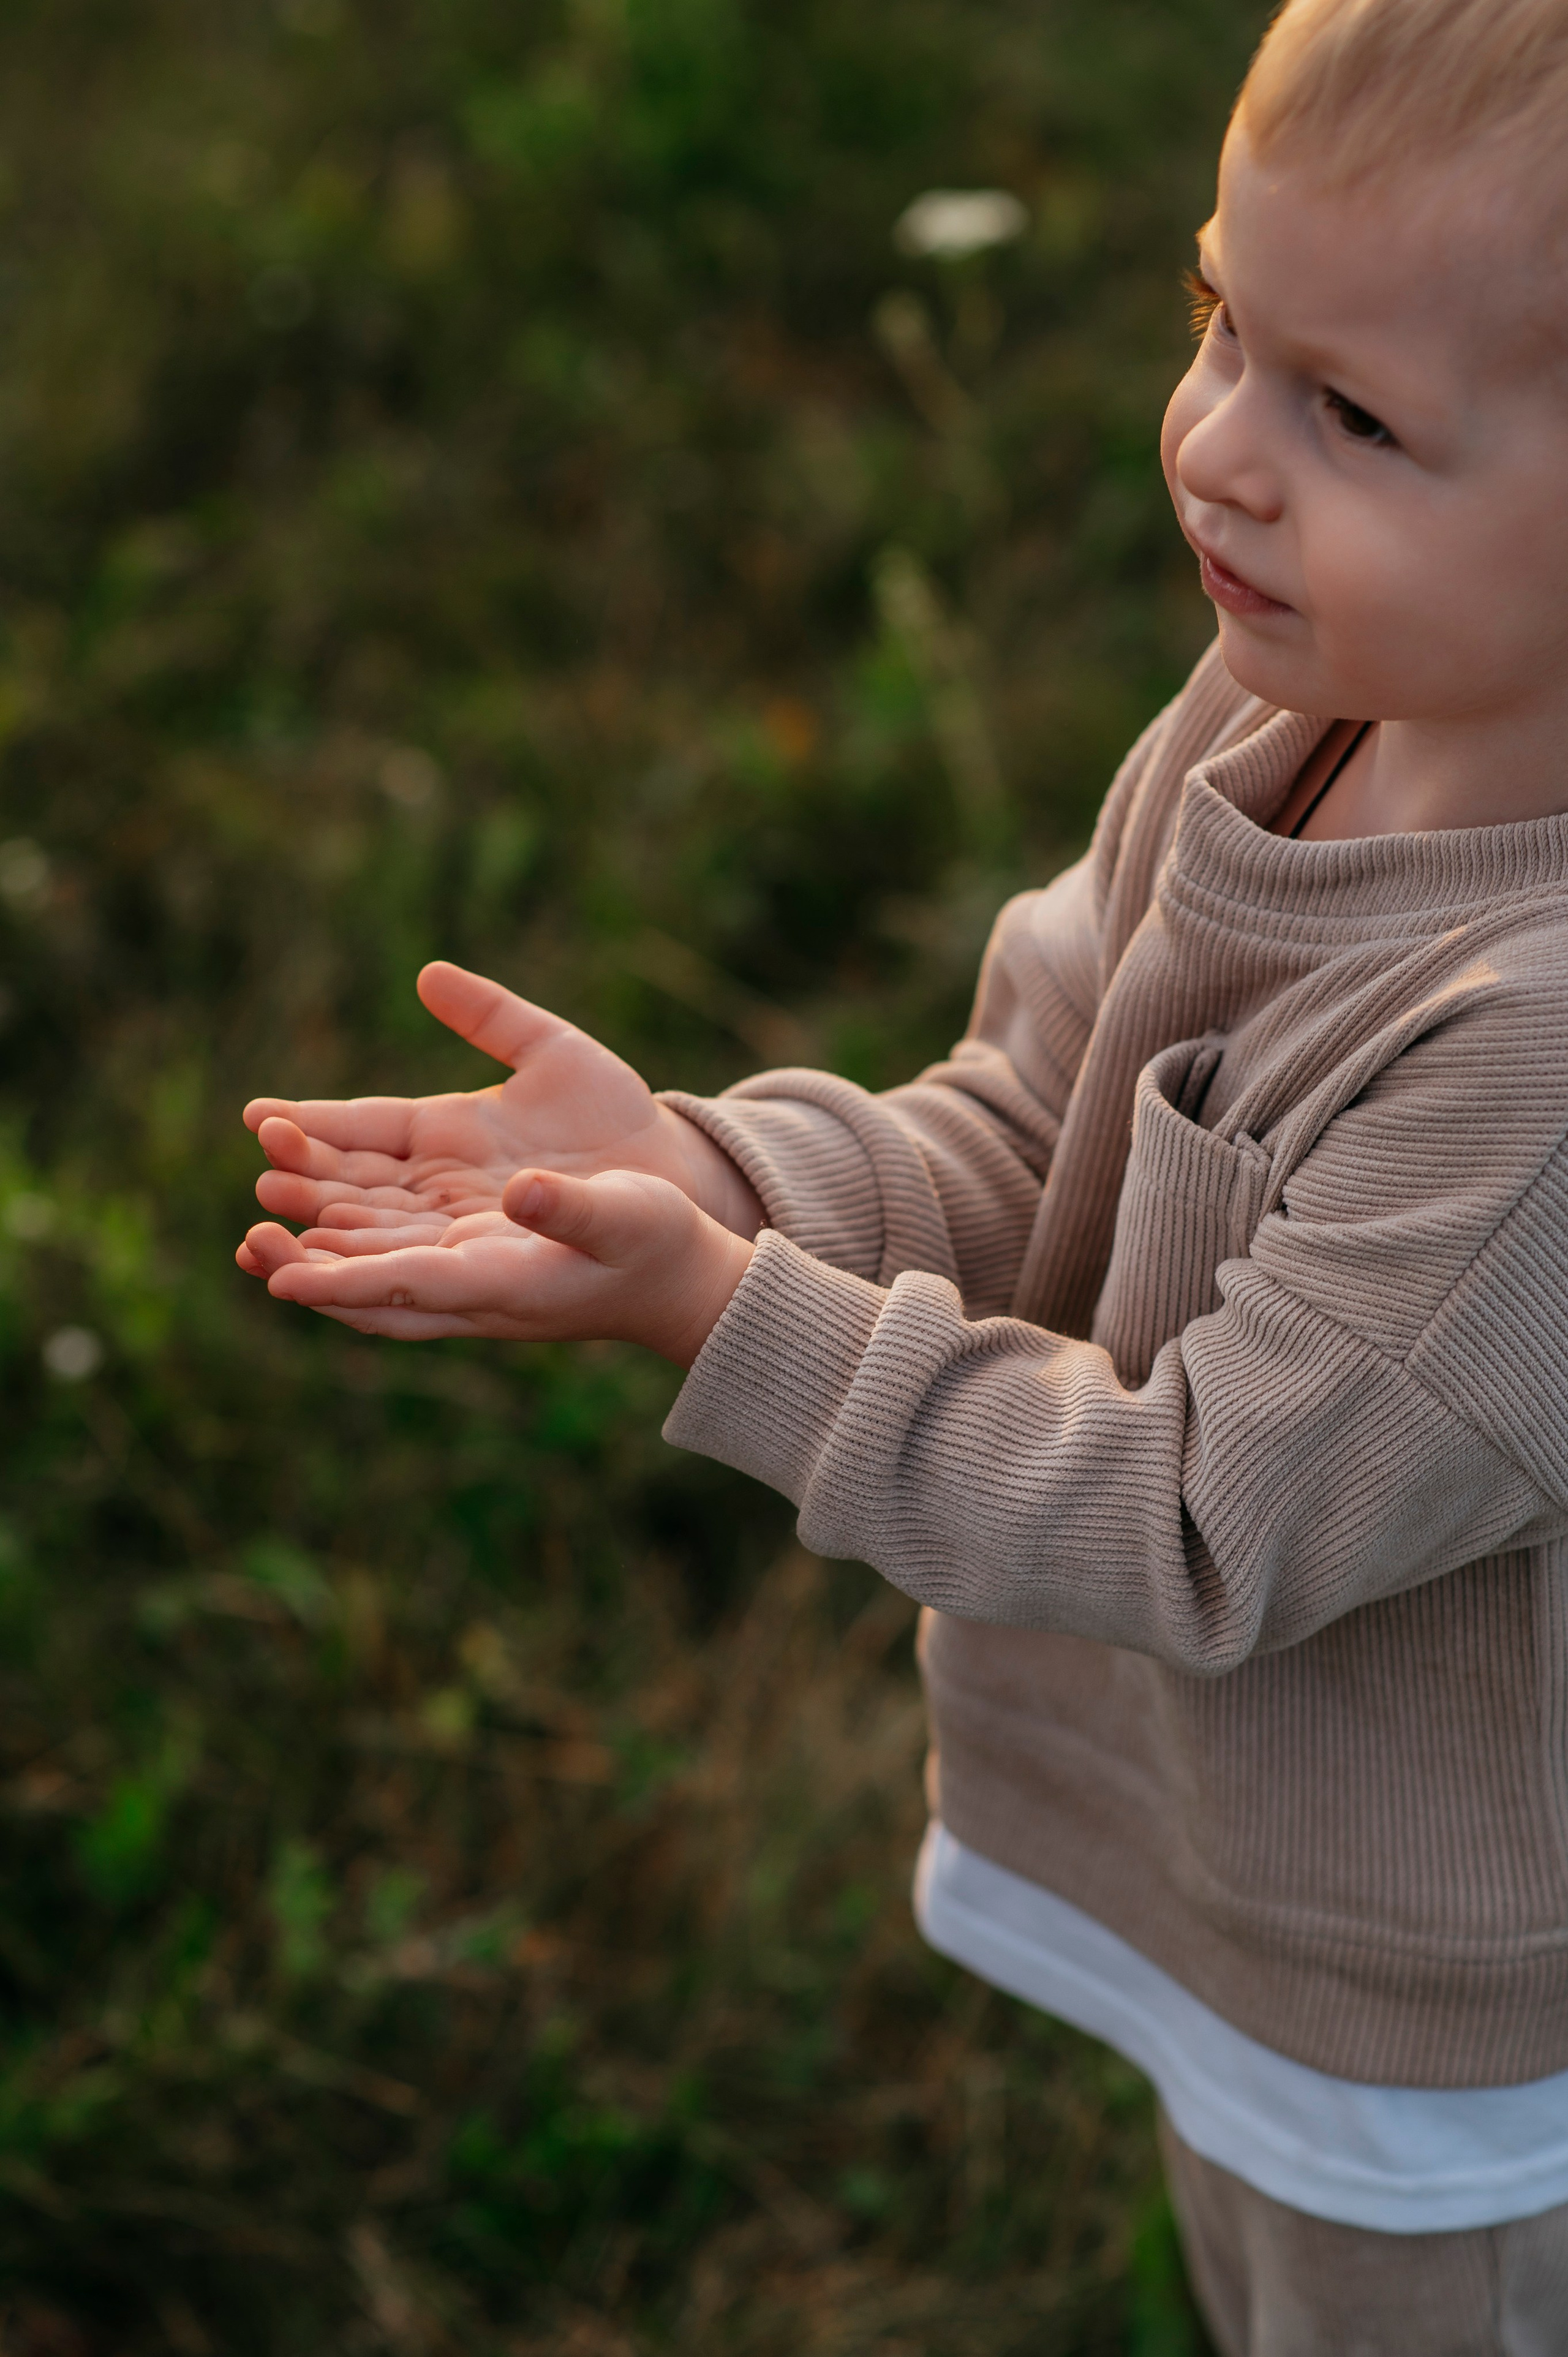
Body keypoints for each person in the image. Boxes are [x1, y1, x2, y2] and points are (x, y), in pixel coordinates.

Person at [237, 0, 1568, 2343]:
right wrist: (712, 1181)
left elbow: (1194, 1516)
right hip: (1260, 1903)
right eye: (1218, 325)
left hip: (1437, 2033)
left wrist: (721, 1322)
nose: (1219, 453)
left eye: (1353, 411)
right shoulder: (1289, 713)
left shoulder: (1533, 1065)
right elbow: (1035, 1127)